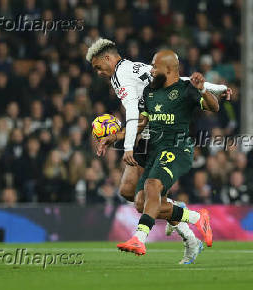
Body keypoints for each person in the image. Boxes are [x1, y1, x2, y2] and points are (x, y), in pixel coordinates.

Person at [86, 38, 231, 263]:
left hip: (164, 139)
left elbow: (140, 108)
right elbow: (178, 81)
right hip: (149, 133)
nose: (98, 73)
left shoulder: (120, 75)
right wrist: (114, 137)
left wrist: (127, 146)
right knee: (130, 194)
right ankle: (190, 227)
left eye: (98, 67)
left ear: (107, 58)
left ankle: (158, 233)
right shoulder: (141, 73)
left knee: (146, 196)